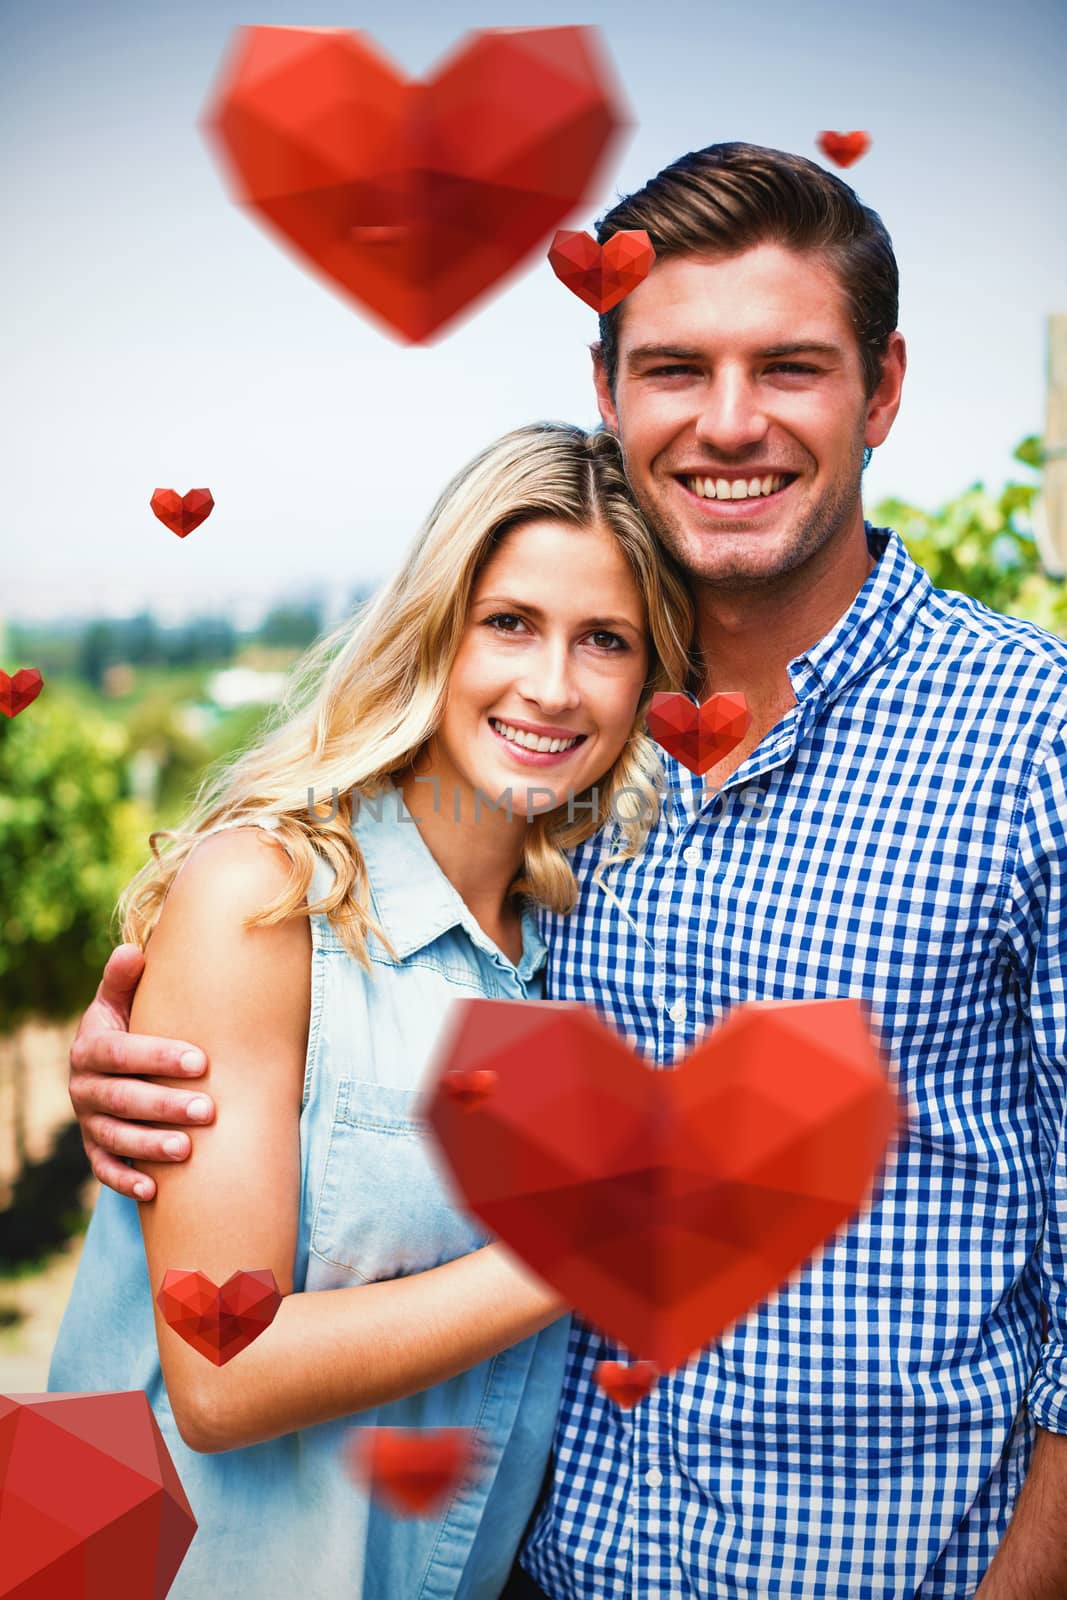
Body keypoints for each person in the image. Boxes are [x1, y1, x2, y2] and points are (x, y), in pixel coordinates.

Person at [66, 142, 1067, 1600]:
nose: (728, 424)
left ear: (883, 389)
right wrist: (154, 1060)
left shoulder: (1031, 740)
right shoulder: (562, 814)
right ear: (611, 393)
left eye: (788, 367)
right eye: (673, 369)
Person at [48, 421, 696, 1600]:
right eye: (509, 622)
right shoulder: (264, 898)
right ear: (436, 629)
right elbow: (220, 1375)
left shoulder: (580, 946)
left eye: (603, 640)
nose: (550, 685)